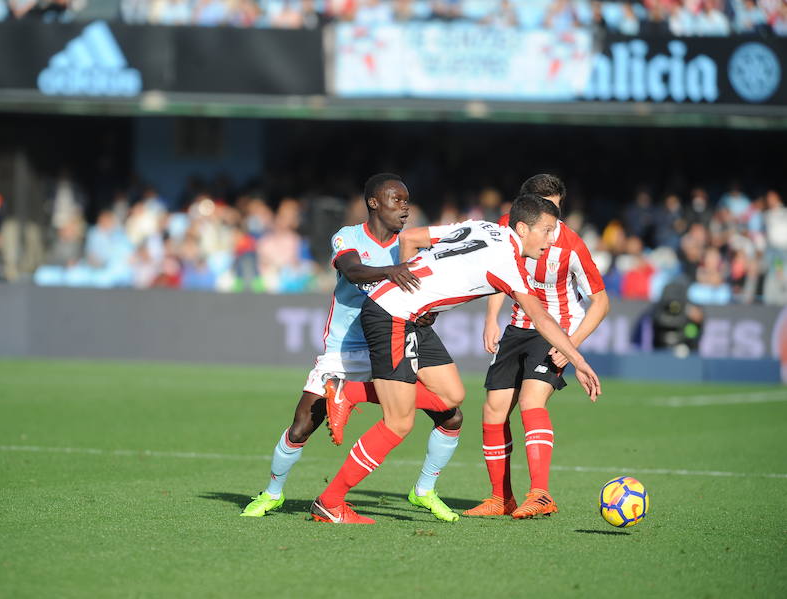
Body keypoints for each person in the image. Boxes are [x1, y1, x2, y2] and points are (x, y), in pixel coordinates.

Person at [311, 194, 602, 524]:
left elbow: (412, 238)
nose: (552, 239)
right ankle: (330, 501)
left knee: (451, 395)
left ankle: (349, 392)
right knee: (399, 422)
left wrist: (418, 297)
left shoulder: (483, 227)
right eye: (547, 231)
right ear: (522, 228)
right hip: (391, 316)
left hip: (409, 315)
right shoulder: (507, 262)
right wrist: (578, 360)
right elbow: (542, 318)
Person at [241, 174, 463, 522]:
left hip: (393, 342)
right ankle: (272, 494)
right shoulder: (348, 236)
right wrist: (393, 271)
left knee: (451, 414)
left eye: (407, 201)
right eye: (396, 200)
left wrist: (427, 315)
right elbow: (353, 270)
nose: (404, 208)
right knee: (301, 426)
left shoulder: (413, 245)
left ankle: (424, 490)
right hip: (346, 348)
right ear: (374, 202)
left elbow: (424, 295)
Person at [466, 174, 608, 519]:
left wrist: (571, 346)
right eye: (543, 212)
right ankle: (501, 498)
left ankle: (541, 494)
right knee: (493, 410)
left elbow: (601, 302)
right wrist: (490, 318)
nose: (551, 221)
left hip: (556, 331)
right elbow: (502, 273)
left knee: (531, 401)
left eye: (555, 211)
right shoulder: (507, 230)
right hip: (518, 326)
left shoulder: (571, 245)